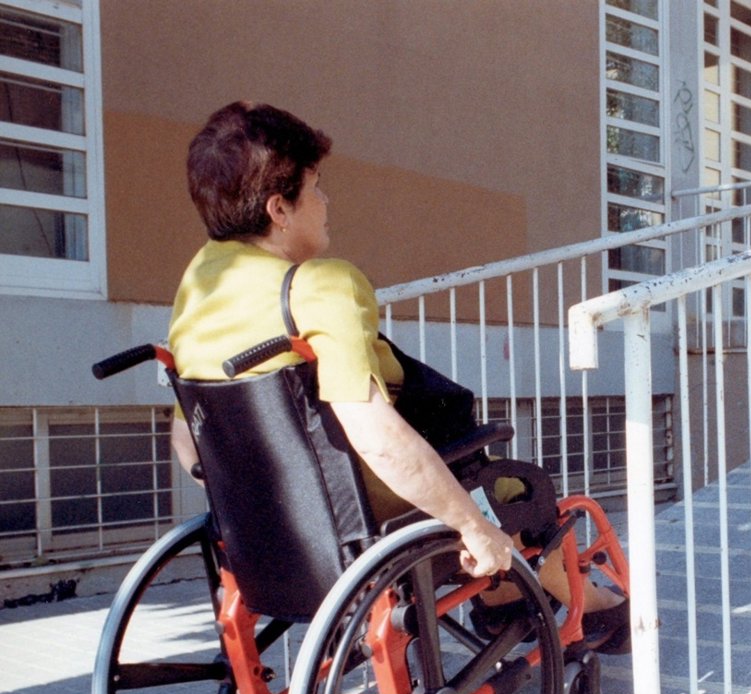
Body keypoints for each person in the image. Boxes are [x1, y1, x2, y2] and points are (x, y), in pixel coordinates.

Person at [168, 101, 629, 650]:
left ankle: (504, 602)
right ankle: (594, 608)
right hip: (367, 508)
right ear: (279, 209)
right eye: (315, 188)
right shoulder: (318, 286)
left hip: (277, 525)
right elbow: (375, 435)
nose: (325, 202)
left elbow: (190, 435)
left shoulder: (199, 289)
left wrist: (255, 495)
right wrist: (470, 526)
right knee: (517, 490)